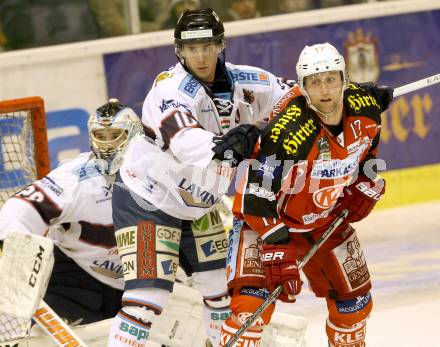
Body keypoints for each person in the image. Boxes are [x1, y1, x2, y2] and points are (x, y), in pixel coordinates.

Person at [107, 8, 296, 347]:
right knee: (146, 300)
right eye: (192, 49)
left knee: (220, 291)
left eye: (207, 45)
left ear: (220, 45)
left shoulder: (248, 81)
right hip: (146, 200)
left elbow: (296, 99)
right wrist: (228, 145)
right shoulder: (169, 90)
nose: (201, 55)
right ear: (179, 51)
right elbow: (184, 141)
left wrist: (346, 101)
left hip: (199, 206)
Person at [219, 42, 393, 346]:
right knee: (249, 314)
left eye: (330, 79)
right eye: (314, 82)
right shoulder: (288, 131)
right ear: (302, 87)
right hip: (267, 223)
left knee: (355, 307)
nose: (324, 90)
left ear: (344, 79)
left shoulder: (367, 111)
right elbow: (255, 197)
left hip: (323, 221)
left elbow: (366, 157)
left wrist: (363, 184)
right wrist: (277, 245)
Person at [0, 99, 143, 325]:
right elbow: (21, 208)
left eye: (116, 134)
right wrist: (13, 245)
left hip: (141, 283)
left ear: (134, 135)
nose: (107, 145)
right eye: (100, 136)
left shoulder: (159, 173)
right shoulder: (73, 178)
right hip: (76, 281)